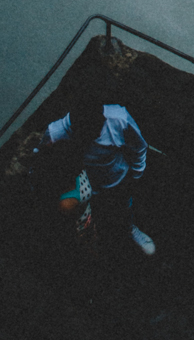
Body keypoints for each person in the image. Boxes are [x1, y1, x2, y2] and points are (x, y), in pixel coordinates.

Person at [41, 73, 154, 257]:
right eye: (91, 130)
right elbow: (42, 159)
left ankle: (129, 228)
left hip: (116, 177)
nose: (99, 130)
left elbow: (139, 147)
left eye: (100, 124)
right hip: (84, 186)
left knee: (123, 206)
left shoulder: (118, 118)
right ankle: (93, 244)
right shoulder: (56, 134)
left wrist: (136, 174)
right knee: (86, 219)